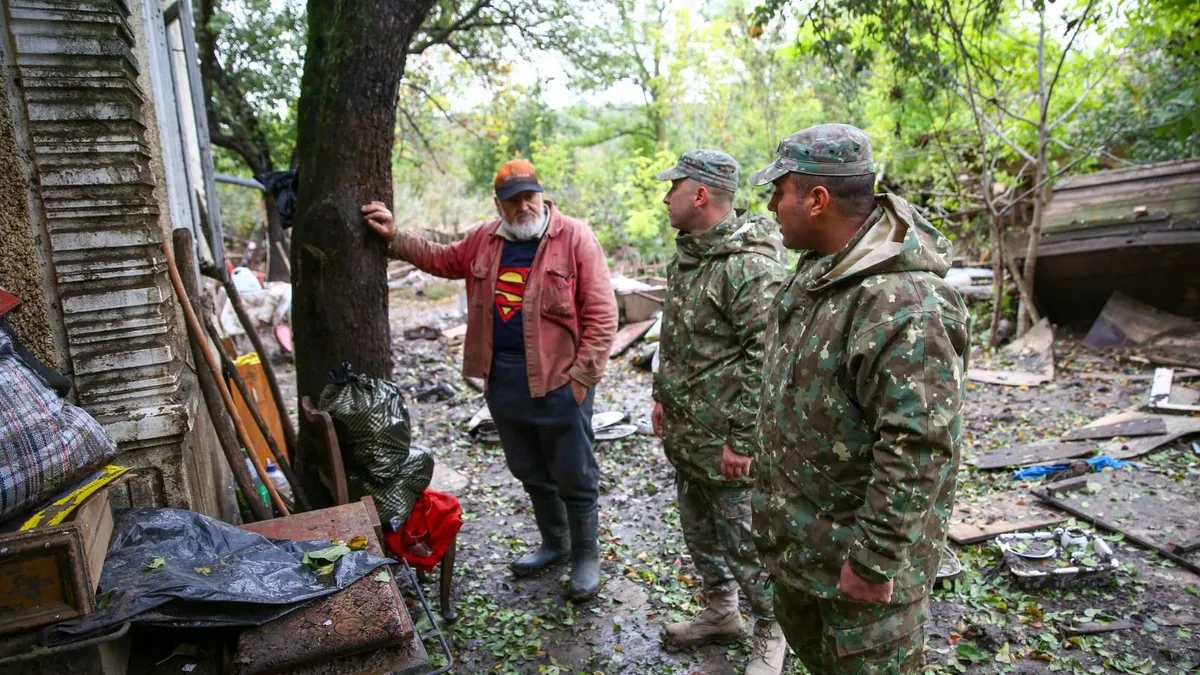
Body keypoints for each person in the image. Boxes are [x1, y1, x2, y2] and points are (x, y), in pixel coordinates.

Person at [747, 124, 970, 673]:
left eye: (780, 191)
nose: (772, 204)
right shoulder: (819, 276)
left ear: (817, 200)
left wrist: (872, 561)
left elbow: (919, 447)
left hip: (859, 577)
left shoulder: (903, 303)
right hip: (806, 557)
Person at [361, 160, 618, 601]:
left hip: (559, 379)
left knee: (574, 473)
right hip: (504, 380)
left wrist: (581, 379)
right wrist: (395, 237)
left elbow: (602, 313)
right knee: (529, 470)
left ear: (541, 194)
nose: (524, 206)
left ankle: (585, 557)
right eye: (513, 199)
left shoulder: (574, 236)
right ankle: (554, 544)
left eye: (529, 196)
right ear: (497, 204)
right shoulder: (486, 238)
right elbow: (443, 260)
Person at [650, 150, 787, 674]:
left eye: (674, 188)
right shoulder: (687, 256)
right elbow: (677, 336)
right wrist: (661, 395)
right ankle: (720, 613)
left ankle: (771, 630)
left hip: (729, 441)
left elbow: (767, 358)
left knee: (746, 542)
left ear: (700, 195)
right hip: (690, 435)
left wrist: (743, 441)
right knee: (700, 531)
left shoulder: (747, 266)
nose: (667, 198)